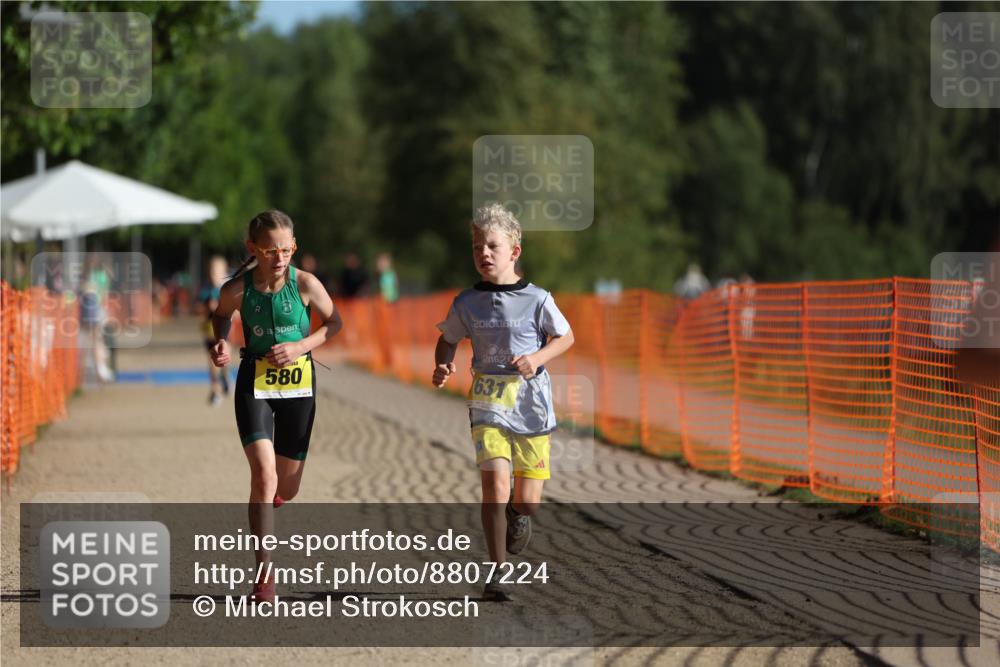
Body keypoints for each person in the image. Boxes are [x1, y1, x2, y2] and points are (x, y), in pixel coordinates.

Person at [432, 203, 574, 602]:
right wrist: (444, 365)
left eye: (492, 246)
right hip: (488, 404)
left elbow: (565, 337)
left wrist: (537, 358)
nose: (484, 254)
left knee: (527, 502)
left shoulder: (538, 299)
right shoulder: (467, 302)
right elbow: (448, 338)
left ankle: (518, 515)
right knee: (494, 485)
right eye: (477, 247)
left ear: (515, 251)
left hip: (532, 407)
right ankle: (498, 572)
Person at [209, 209, 342, 602]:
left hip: (299, 388)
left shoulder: (306, 284)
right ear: (253, 249)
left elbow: (334, 324)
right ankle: (265, 576)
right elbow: (219, 318)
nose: (279, 258)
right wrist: (222, 343)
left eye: (286, 249)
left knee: (288, 485)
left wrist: (301, 346)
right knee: (264, 477)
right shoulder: (235, 289)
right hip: (255, 383)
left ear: (294, 247)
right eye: (270, 251)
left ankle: (271, 500)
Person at [198, 256, 231, 406]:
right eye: (211, 270)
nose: (213, 274)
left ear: (224, 272)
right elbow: (198, 307)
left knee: (223, 358)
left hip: (225, 329)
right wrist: (205, 307)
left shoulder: (226, 290)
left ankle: (225, 377)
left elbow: (234, 309)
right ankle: (215, 389)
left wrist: (218, 305)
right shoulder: (205, 289)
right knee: (212, 360)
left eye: (217, 271)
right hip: (209, 329)